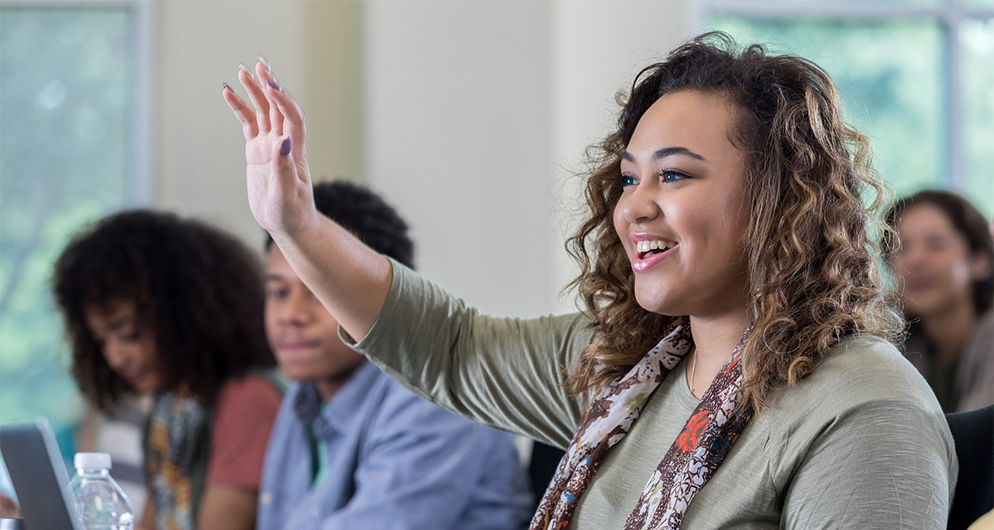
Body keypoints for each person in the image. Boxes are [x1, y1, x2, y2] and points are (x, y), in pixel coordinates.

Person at [223, 32, 956, 529]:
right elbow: (446, 347)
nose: (633, 205)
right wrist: (296, 225)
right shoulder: (633, 370)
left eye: (673, 175)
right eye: (629, 178)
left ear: (779, 201)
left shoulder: (865, 409)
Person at [256, 180, 532, 529]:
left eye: (318, 291)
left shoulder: (432, 395)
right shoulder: (304, 396)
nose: (291, 315)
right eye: (278, 292)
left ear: (385, 298)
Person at [52, 210, 283, 530]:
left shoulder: (247, 400)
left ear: (182, 313)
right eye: (102, 342)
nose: (116, 359)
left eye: (128, 333)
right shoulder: (171, 407)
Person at [888, 190, 994, 412]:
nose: (915, 260)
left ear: (980, 260)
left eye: (936, 244)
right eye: (902, 246)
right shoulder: (894, 344)